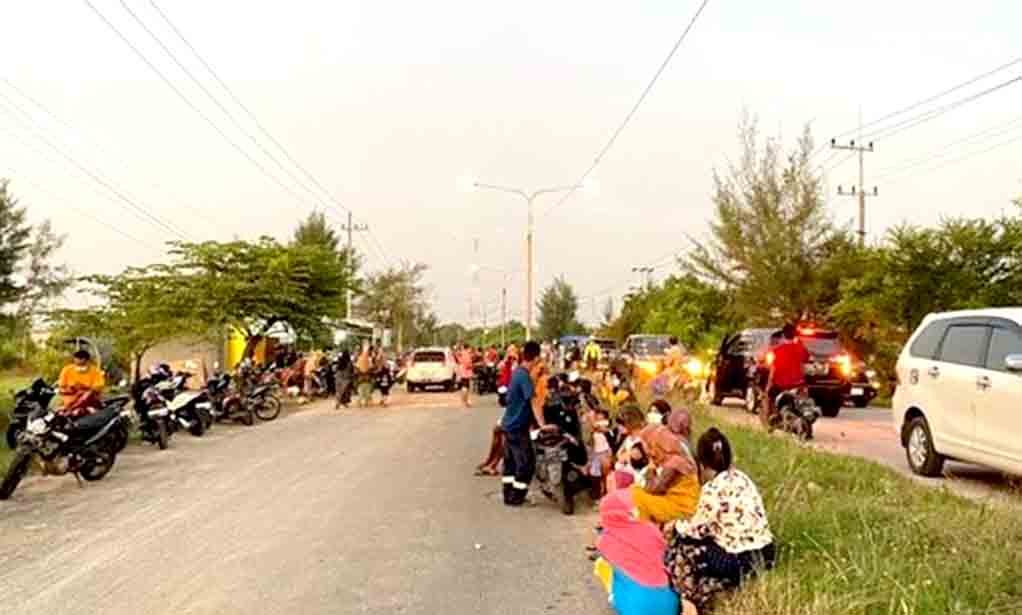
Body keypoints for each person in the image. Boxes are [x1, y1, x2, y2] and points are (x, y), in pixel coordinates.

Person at [664, 428, 775, 612]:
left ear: (701, 463)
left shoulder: (712, 488)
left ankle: (689, 604)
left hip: (740, 559)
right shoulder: (742, 477)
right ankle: (708, 590)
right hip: (765, 553)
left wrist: (674, 525)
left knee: (681, 548)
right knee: (695, 548)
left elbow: (696, 530)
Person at [592, 488, 694, 615]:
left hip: (636, 609)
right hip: (670, 605)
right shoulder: (650, 529)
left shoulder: (604, 542)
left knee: (603, 566)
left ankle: (619, 600)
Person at [630, 423, 700, 525]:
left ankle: (646, 534)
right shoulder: (671, 458)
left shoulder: (675, 462)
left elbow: (654, 489)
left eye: (647, 443)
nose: (647, 449)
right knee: (636, 491)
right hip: (673, 500)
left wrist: (650, 469)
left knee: (637, 496)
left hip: (682, 507)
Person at [501, 340, 544, 506]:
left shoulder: (517, 374)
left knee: (510, 463)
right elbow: (533, 402)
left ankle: (508, 495)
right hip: (518, 427)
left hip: (509, 425)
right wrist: (542, 425)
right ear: (535, 358)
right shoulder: (524, 376)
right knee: (527, 464)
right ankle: (517, 496)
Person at [761, 323, 810, 430]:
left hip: (781, 384)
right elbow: (806, 359)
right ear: (795, 335)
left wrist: (768, 386)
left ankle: (768, 424)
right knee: (805, 399)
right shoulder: (800, 348)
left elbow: (773, 370)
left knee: (768, 397)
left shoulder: (776, 350)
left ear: (783, 335)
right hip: (799, 383)